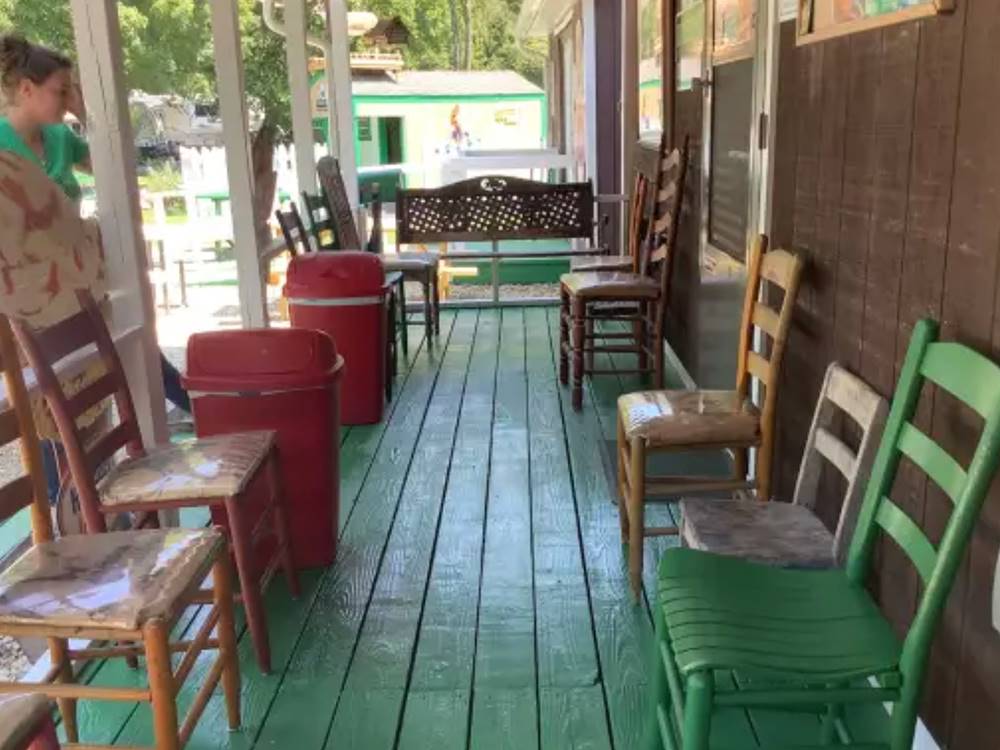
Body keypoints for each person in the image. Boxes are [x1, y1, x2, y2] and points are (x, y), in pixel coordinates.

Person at [0, 34, 190, 505]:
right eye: (59, 90)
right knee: (49, 409)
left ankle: (93, 504)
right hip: (28, 300)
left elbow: (121, 169)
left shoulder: (61, 139)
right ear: (26, 89)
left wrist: (86, 112)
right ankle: (65, 512)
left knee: (91, 402)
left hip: (77, 288)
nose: (65, 100)